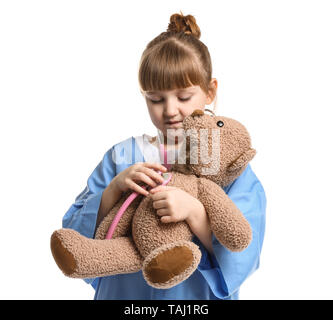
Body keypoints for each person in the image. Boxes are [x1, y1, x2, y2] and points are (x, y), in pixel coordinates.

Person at [61, 11, 266, 300]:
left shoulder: (226, 162)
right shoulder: (123, 156)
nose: (170, 111)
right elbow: (75, 230)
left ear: (210, 92)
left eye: (183, 97)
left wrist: (195, 212)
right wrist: (114, 188)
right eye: (155, 99)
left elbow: (244, 248)